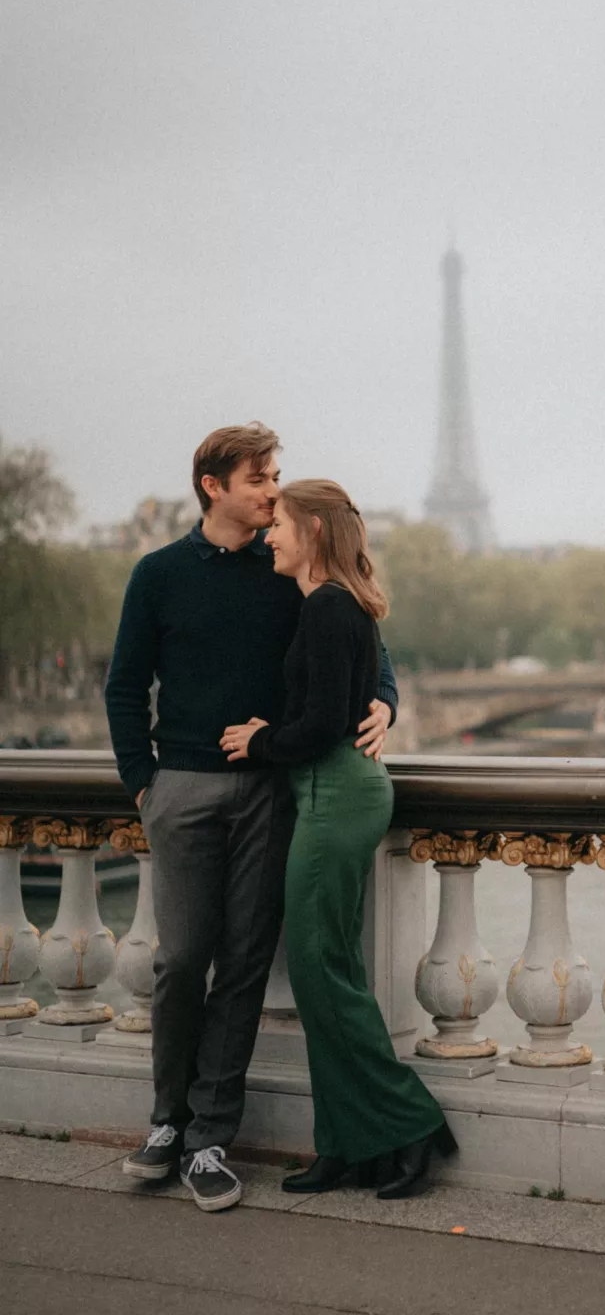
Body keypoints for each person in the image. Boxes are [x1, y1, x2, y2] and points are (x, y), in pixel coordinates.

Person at [106, 424, 399, 1213]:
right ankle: (166, 1120)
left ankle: (208, 1138)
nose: (274, 490)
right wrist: (144, 785)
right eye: (259, 479)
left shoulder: (289, 566)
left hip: (273, 791)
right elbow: (125, 686)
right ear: (213, 485)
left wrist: (385, 704)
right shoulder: (159, 574)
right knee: (180, 962)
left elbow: (368, 644)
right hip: (183, 788)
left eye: (276, 478)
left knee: (241, 966)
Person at [221, 479, 456, 1200]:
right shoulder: (338, 604)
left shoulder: (326, 608)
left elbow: (322, 725)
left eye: (282, 526)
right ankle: (347, 1145)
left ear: (314, 532)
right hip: (336, 792)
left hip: (331, 793)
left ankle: (413, 1122)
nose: (271, 537)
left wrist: (260, 741)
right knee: (332, 977)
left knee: (323, 976)